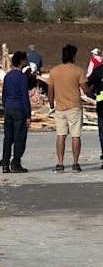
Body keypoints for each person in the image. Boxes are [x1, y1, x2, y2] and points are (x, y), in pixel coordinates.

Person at [48, 44, 94, 172]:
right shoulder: (78, 70)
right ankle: (75, 163)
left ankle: (60, 163)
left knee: (61, 135)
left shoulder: (54, 71)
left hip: (60, 107)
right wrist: (94, 96)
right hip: (74, 107)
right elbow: (85, 89)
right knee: (75, 135)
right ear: (73, 56)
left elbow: (50, 91)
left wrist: (52, 104)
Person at [0, 51, 31, 173]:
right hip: (19, 109)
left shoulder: (8, 76)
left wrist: (5, 106)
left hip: (8, 108)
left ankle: (5, 163)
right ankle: (16, 163)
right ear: (22, 61)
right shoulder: (22, 77)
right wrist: (28, 114)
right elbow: (24, 97)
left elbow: (4, 94)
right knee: (19, 137)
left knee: (8, 137)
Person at [88, 63, 103, 168]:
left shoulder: (98, 71)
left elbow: (88, 84)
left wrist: (93, 94)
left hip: (102, 106)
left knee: (102, 134)